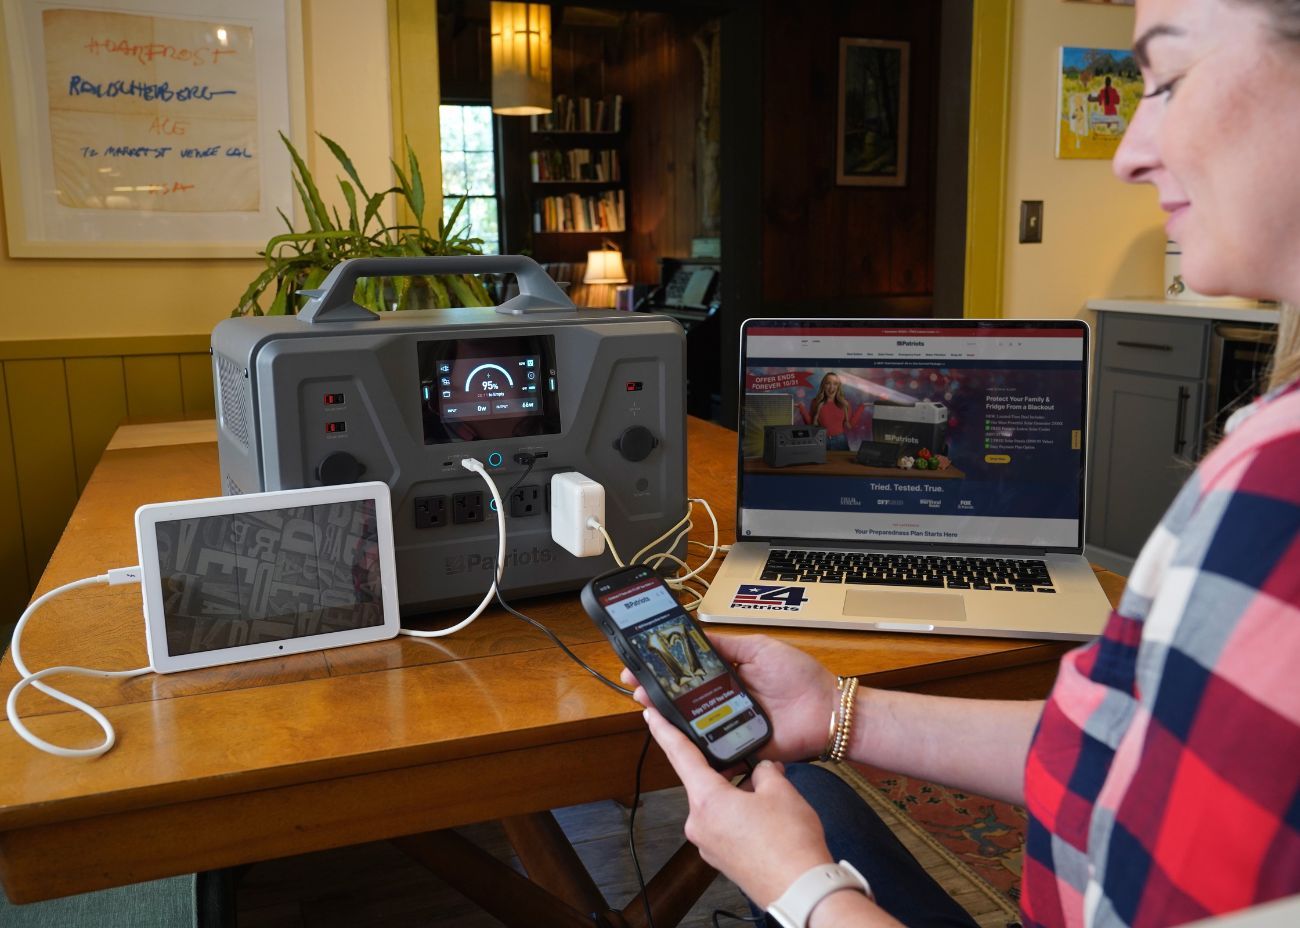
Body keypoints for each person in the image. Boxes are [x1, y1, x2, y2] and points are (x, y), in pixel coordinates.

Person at [629, 1, 1300, 925]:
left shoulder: (1278, 491)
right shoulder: (1271, 441)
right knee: (813, 786)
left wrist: (800, 888)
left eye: (1170, 80)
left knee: (786, 824)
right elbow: (1122, 745)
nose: (1128, 153)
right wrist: (836, 708)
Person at [800, 372, 863, 450]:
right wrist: (801, 408)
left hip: (840, 441)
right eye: (828, 383)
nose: (831, 387)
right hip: (821, 440)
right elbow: (811, 424)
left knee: (841, 462)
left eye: (835, 384)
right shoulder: (816, 402)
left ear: (838, 387)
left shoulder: (844, 403)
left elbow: (850, 425)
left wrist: (861, 407)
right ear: (823, 385)